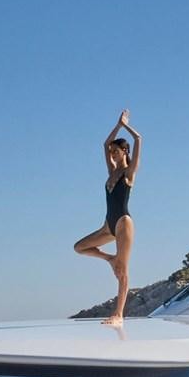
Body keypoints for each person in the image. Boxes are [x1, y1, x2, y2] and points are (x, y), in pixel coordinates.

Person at [73, 109, 142, 325]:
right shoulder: (111, 172)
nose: (112, 154)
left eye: (116, 151)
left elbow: (138, 139)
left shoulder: (129, 173)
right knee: (80, 247)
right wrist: (117, 126)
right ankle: (110, 259)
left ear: (125, 151)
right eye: (111, 152)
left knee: (123, 270)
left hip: (123, 223)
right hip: (107, 225)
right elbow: (104, 144)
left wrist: (126, 125)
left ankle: (118, 314)